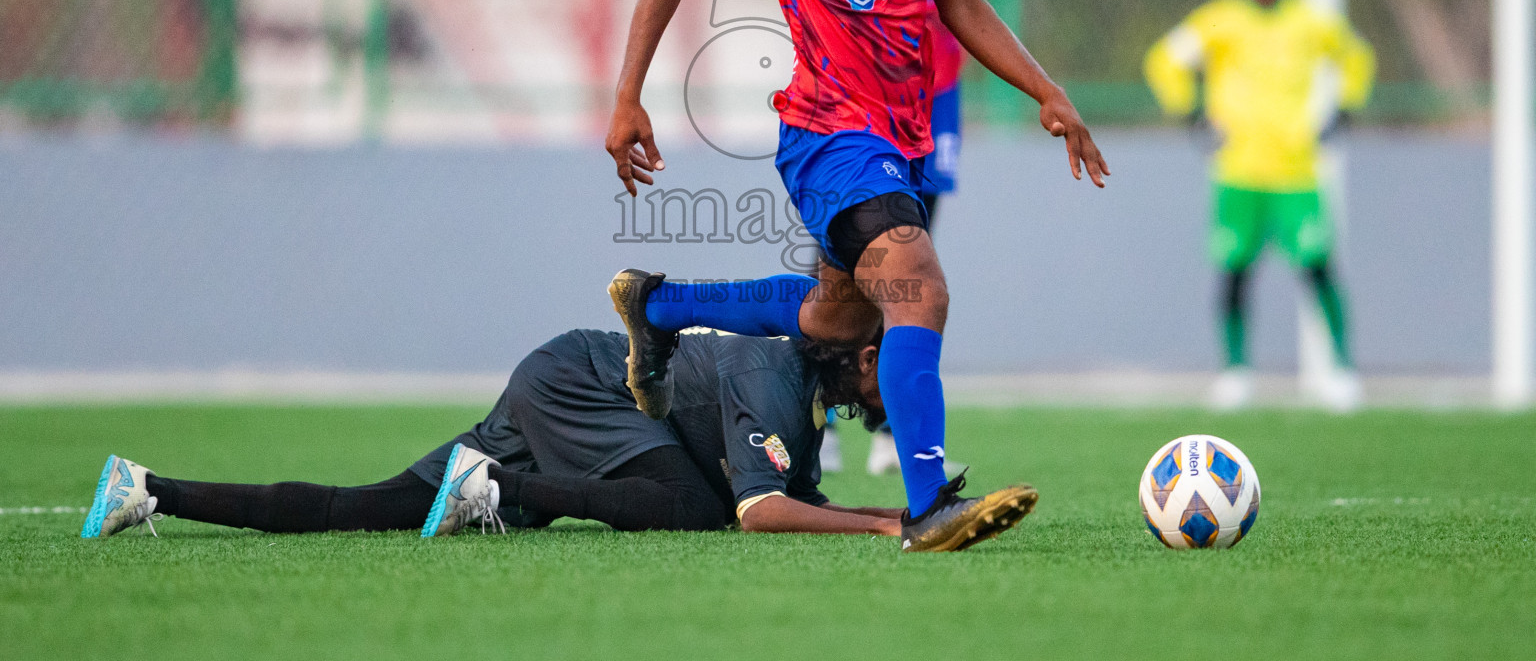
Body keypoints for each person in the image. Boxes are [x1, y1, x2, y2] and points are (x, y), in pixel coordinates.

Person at [603, 0, 1106, 553]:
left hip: (900, 138)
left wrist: (1046, 90)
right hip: (830, 134)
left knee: (841, 324)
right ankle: (929, 505)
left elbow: (960, 1)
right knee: (921, 283)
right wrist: (627, 95)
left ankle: (661, 304)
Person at [80, 327, 962, 541]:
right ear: (857, 357)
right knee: (695, 506)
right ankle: (495, 492)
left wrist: (901, 511)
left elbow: (796, 497)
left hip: (572, 394)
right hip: (577, 382)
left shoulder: (799, 399)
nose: (911, 380)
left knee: (376, 509)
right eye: (900, 362)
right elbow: (761, 512)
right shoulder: (774, 374)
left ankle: (147, 489)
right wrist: (891, 527)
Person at [1143, 0, 1375, 412]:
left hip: (1297, 171)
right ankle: (1235, 372)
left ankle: (1341, 370)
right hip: (1239, 171)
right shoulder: (1219, 21)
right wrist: (1192, 112)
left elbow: (1357, 57)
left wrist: (1344, 110)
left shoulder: (1312, 22)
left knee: (1317, 266)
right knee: (1235, 271)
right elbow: (1165, 60)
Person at [864, 0, 1001, 479]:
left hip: (936, 81)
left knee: (914, 237)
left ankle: (886, 419)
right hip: (866, 80)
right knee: (860, 250)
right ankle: (828, 400)